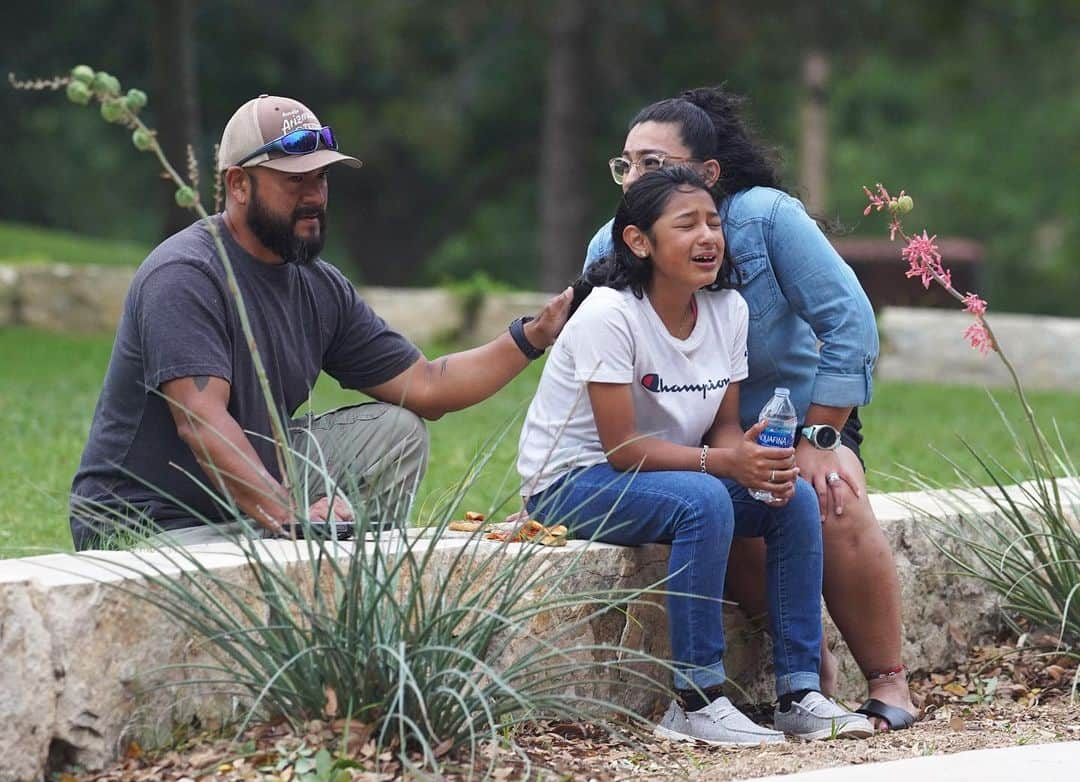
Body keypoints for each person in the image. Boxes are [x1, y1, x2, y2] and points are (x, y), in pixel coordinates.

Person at [69, 94, 571, 550]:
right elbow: (202, 423)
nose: (314, 196)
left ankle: (345, 601)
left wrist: (532, 336)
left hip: (246, 505)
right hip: (148, 522)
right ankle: (303, 563)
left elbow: (425, 386)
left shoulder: (318, 286)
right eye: (294, 181)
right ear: (238, 184)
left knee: (396, 431)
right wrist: (292, 517)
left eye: (321, 178)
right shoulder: (185, 274)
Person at [582, 86, 917, 732]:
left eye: (653, 164)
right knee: (723, 511)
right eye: (626, 164)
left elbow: (849, 323)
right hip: (686, 438)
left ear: (708, 174)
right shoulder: (613, 244)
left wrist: (819, 439)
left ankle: (889, 678)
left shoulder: (765, 220)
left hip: (801, 418)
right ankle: (808, 674)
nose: (634, 179)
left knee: (828, 495)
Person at [518, 167, 873, 744]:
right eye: (686, 224)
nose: (708, 236)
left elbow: (725, 429)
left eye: (713, 222)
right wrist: (725, 465)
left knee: (791, 499)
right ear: (639, 241)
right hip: (570, 482)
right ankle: (697, 701)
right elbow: (623, 448)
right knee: (705, 501)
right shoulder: (609, 314)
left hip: (666, 476)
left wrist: (756, 459)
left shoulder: (727, 310)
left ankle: (801, 694)